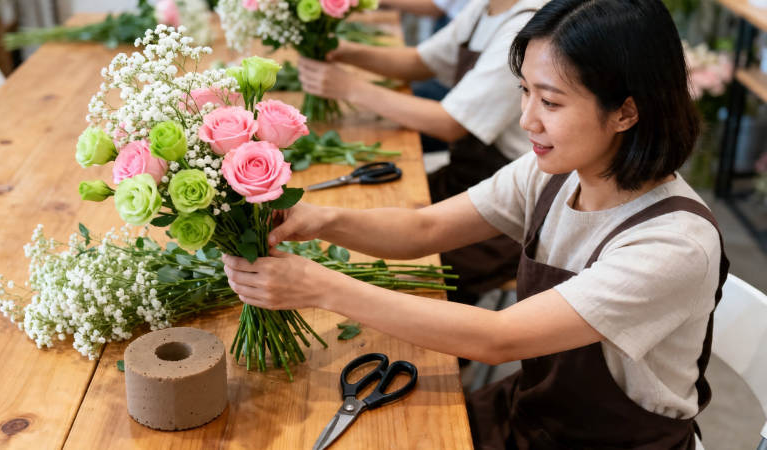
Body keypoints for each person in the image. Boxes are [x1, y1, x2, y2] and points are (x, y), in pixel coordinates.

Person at [224, 0, 729, 446]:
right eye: (524, 91)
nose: (527, 119)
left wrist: (319, 286)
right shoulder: (551, 172)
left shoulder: (673, 243)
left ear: (626, 112)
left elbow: (499, 337)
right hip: (531, 414)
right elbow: (427, 230)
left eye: (550, 102)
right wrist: (319, 217)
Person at [300, 0, 548, 304]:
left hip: (505, 207)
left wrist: (351, 88)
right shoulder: (485, 8)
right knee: (373, 219)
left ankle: (454, 342)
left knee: (406, 276)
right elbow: (422, 61)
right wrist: (344, 50)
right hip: (467, 176)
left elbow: (451, 124)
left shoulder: (525, 27)